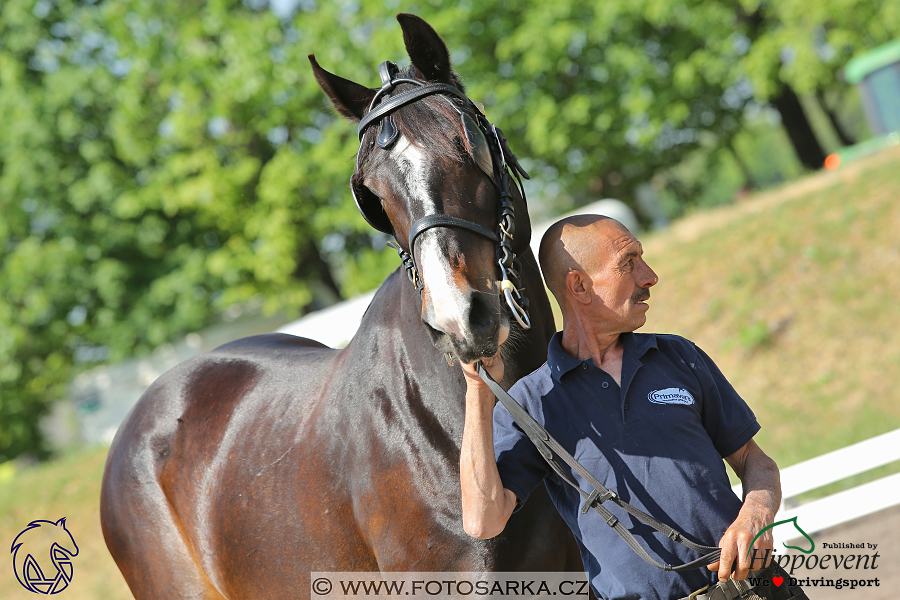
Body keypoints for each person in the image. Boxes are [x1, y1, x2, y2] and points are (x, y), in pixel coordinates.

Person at [459, 214, 782, 600]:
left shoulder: (679, 355)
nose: (650, 276)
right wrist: (477, 390)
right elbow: (483, 520)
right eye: (628, 263)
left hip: (755, 590)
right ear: (579, 286)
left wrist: (756, 513)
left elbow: (754, 460)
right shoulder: (531, 403)